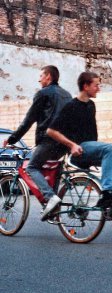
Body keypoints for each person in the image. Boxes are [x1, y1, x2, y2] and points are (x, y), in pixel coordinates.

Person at [47, 71, 112, 208]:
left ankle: (107, 200)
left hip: (90, 149)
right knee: (110, 148)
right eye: (96, 85)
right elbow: (51, 131)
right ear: (86, 86)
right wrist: (71, 145)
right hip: (79, 151)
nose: (99, 89)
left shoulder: (91, 105)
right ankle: (107, 192)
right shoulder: (71, 106)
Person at [4, 65, 72, 221]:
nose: (39, 79)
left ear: (48, 76)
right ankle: (53, 210)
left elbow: (29, 120)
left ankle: (51, 197)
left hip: (49, 140)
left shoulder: (43, 93)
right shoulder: (67, 95)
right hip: (66, 142)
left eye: (41, 75)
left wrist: (13, 138)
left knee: (32, 167)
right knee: (54, 170)